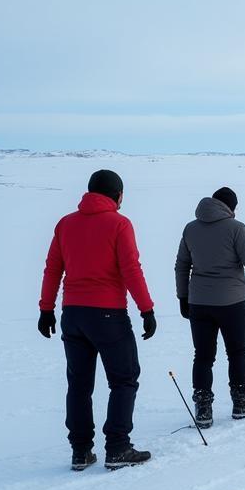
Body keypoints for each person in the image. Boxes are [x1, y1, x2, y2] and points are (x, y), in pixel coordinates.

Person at [38, 169, 156, 471]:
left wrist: (46, 309)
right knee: (124, 378)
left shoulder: (66, 224)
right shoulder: (119, 224)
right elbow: (131, 269)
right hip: (108, 316)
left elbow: (53, 268)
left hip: (73, 315)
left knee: (79, 384)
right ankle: (117, 447)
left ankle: (81, 451)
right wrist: (147, 309)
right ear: (117, 195)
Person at [175, 187, 245, 428]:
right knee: (237, 352)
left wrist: (182, 298)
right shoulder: (236, 228)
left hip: (199, 303)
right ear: (230, 207)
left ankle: (203, 409)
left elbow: (181, 266)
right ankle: (241, 403)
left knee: (203, 356)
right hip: (231, 303)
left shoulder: (190, 228)